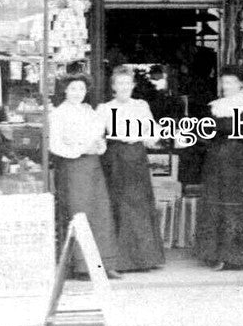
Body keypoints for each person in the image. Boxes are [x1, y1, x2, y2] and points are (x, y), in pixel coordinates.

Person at [48, 74, 121, 279]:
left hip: (93, 166)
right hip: (73, 168)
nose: (77, 93)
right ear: (65, 90)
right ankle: (82, 266)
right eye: (73, 89)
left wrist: (99, 145)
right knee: (80, 213)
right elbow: (54, 145)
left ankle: (105, 264)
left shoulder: (89, 111)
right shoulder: (58, 114)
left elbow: (98, 136)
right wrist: (80, 150)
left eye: (81, 89)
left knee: (101, 212)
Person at [97, 67, 165, 271]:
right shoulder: (104, 108)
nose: (124, 87)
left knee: (139, 203)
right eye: (120, 83)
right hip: (115, 157)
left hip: (136, 156)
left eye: (128, 83)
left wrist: (150, 137)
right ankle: (121, 260)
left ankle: (145, 258)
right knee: (118, 204)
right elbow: (96, 134)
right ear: (113, 87)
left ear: (133, 85)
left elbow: (152, 131)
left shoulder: (141, 105)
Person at [193, 69, 243, 270]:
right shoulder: (215, 107)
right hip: (215, 160)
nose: (227, 86)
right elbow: (203, 133)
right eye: (224, 83)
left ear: (240, 84)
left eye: (231, 82)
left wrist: (238, 143)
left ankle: (233, 257)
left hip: (238, 161)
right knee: (214, 203)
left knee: (233, 205)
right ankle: (212, 254)